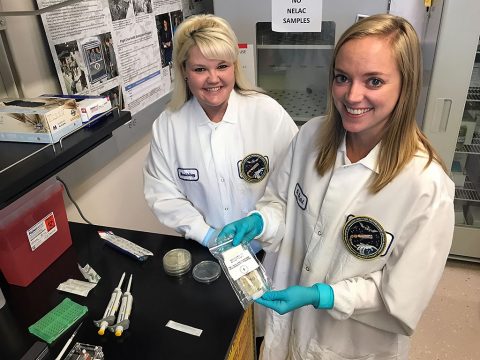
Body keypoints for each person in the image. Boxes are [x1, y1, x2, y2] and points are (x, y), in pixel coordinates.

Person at [218, 14, 454, 360]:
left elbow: (401, 299)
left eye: (374, 81)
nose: (352, 95)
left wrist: (323, 296)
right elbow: (280, 204)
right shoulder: (312, 136)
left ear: (406, 85)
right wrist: (260, 222)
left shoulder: (425, 186)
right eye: (342, 78)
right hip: (288, 325)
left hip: (349, 345)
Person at [143, 14, 298, 251]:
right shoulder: (168, 126)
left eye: (222, 66)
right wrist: (207, 236)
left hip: (269, 249)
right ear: (184, 71)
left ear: (234, 67)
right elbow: (163, 195)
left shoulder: (267, 113)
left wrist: (263, 222)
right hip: (206, 250)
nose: (213, 79)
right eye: (200, 69)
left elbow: (294, 181)